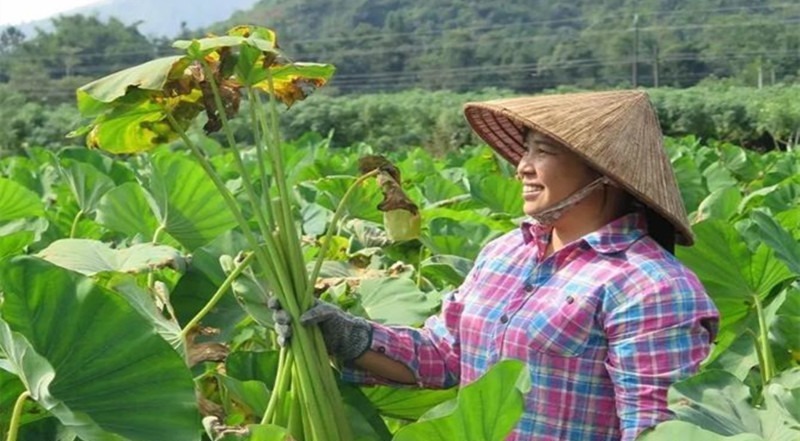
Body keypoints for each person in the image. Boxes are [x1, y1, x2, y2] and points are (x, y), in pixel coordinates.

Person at [278, 90, 720, 440]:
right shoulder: (506, 252)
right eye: (524, 151)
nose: (521, 168)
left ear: (605, 171)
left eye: (542, 151)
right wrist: (343, 335)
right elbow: (444, 356)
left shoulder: (651, 285)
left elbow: (655, 430)